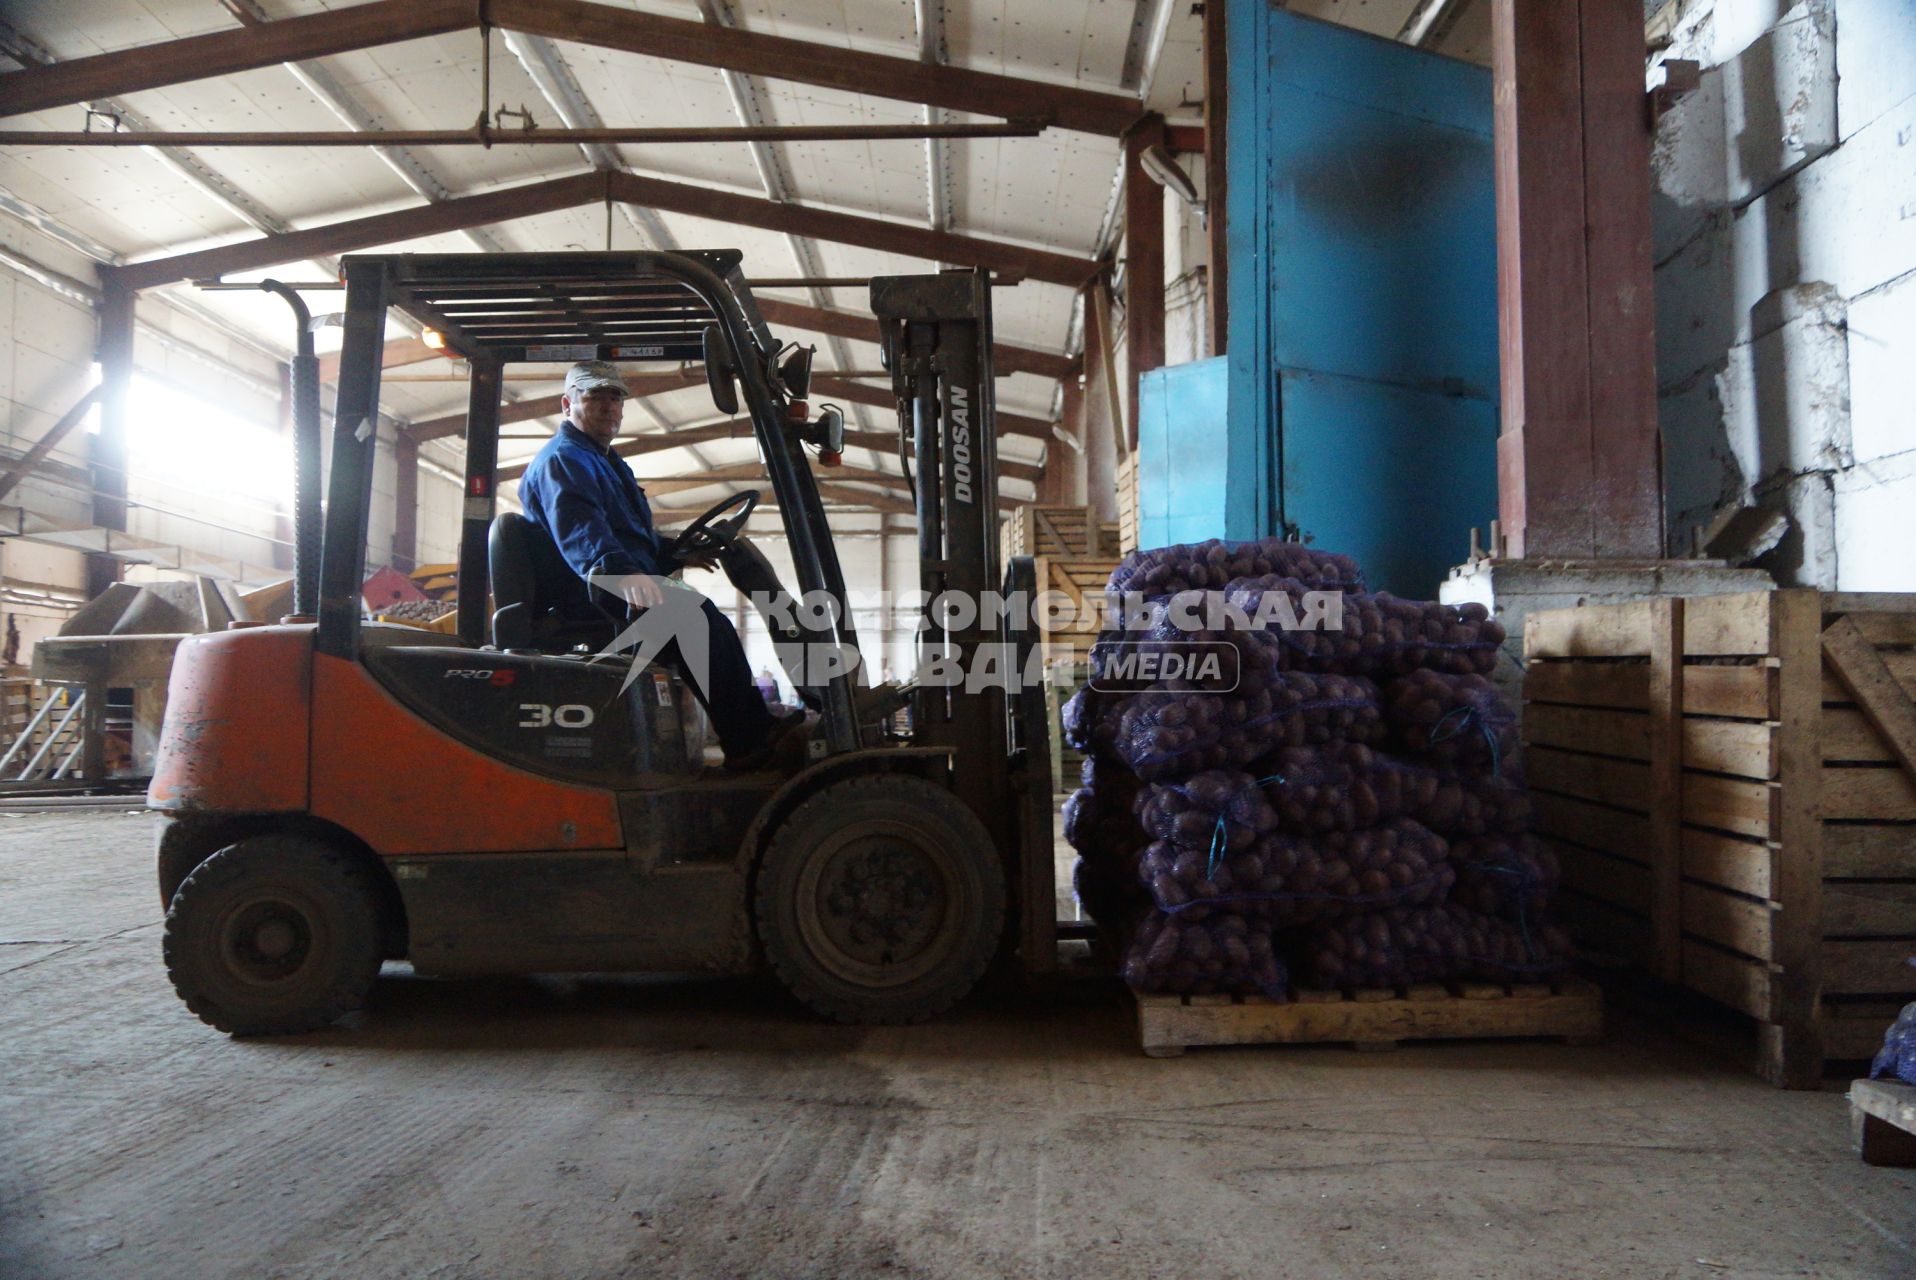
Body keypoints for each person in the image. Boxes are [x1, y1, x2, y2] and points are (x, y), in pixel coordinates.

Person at [517, 360, 805, 772]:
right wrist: (623, 573)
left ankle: (753, 730)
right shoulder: (565, 460)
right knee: (695, 618)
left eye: (615, 398)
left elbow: (635, 535)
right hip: (591, 590)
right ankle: (749, 742)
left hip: (619, 578)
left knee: (706, 618)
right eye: (595, 397)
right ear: (568, 403)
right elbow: (583, 531)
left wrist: (678, 552)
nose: (609, 407)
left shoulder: (607, 461)